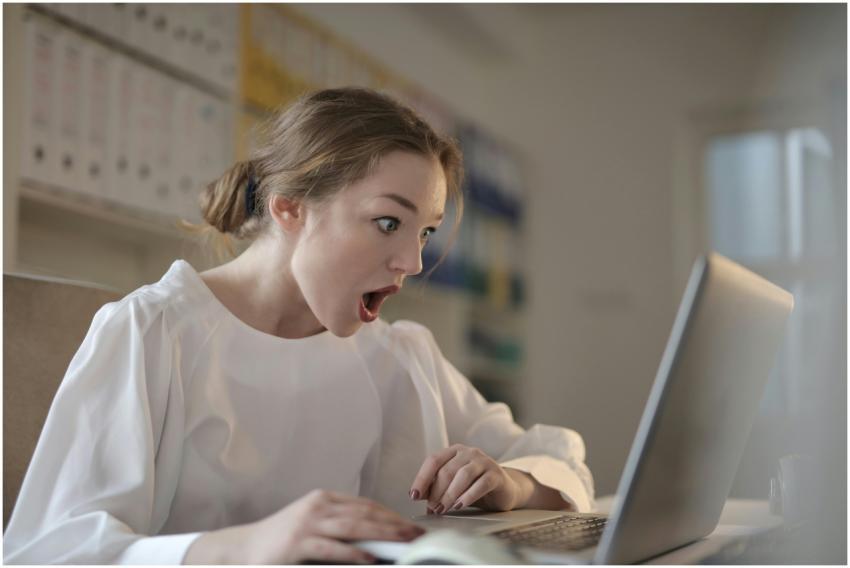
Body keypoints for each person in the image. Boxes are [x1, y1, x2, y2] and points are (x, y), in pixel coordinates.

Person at [4, 88, 594, 564]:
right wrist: (245, 547)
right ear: (289, 207)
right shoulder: (153, 332)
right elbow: (47, 552)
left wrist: (511, 484)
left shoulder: (400, 353)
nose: (412, 263)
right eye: (389, 222)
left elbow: (554, 458)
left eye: (425, 233)